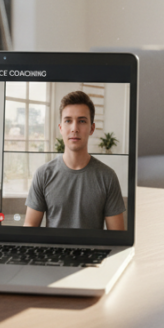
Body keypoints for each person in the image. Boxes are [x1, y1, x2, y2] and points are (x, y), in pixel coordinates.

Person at [24, 90, 126, 230]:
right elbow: (29, 227)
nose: (74, 128)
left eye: (82, 121)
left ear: (92, 128)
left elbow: (117, 235)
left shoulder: (107, 177)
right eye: (68, 121)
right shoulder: (43, 174)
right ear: (61, 128)